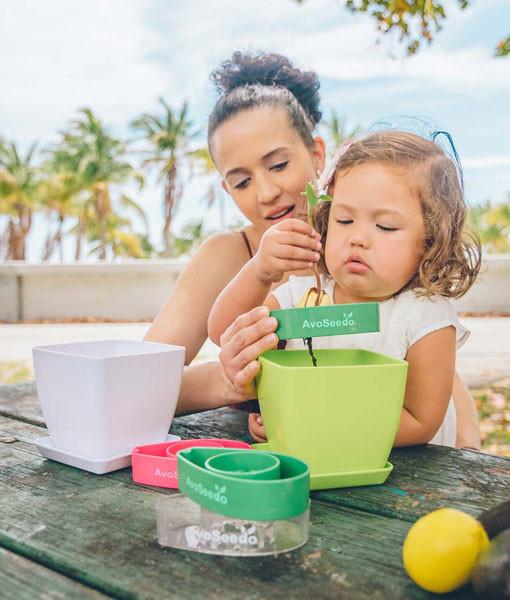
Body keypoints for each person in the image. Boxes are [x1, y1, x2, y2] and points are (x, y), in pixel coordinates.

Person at [144, 51, 480, 448]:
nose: (266, 193)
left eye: (278, 165)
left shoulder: (398, 281)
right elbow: (141, 379)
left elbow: (435, 401)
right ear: (225, 188)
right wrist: (227, 379)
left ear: (317, 154)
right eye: (241, 181)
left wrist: (468, 446)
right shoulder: (237, 262)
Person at [208, 130, 482, 448]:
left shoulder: (424, 316)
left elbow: (420, 422)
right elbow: (227, 332)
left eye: (385, 226)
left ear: (431, 242)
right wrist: (259, 271)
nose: (358, 238)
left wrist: (315, 427)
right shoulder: (301, 296)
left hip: (409, 483)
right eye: (344, 220)